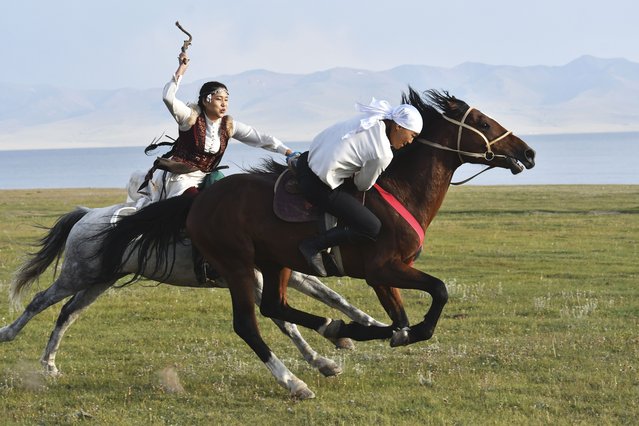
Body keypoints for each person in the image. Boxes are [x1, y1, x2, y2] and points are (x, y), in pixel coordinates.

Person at [130, 50, 295, 209]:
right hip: (180, 178)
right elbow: (168, 97)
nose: (224, 104)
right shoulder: (189, 118)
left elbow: (260, 138)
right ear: (206, 100)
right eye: (219, 99)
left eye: (226, 100)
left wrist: (288, 153)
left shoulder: (228, 126)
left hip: (206, 177)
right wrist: (181, 69)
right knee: (199, 206)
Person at [294, 98, 423, 276]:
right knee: (371, 226)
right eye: (412, 135)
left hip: (304, 161)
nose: (410, 141)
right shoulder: (383, 153)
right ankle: (313, 246)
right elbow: (362, 185)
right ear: (398, 127)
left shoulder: (372, 119)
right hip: (317, 185)